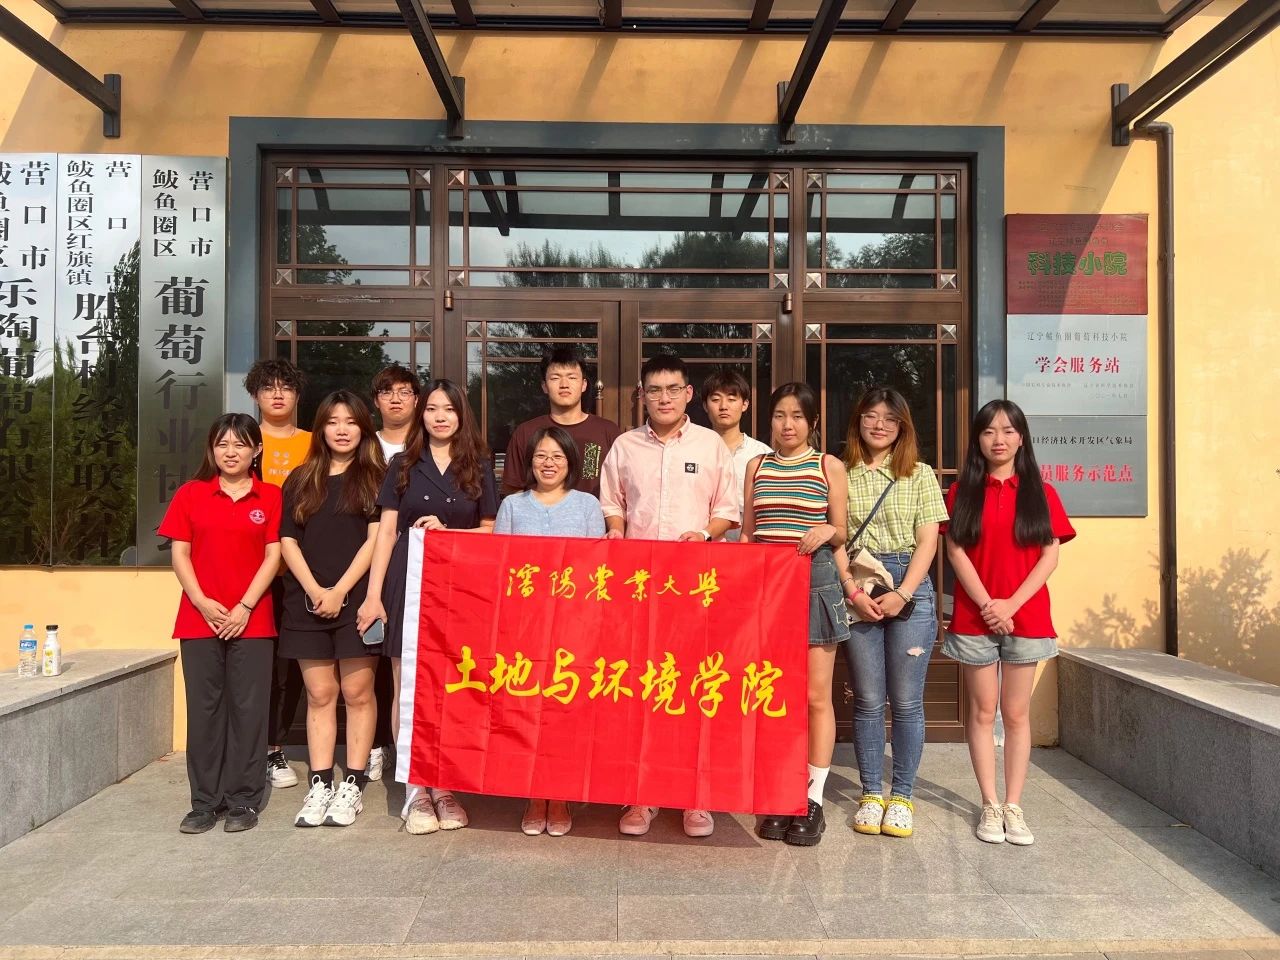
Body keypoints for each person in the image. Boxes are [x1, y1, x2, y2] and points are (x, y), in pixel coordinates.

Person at [599, 353, 739, 838]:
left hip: (695, 588)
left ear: (688, 394)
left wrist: (705, 533)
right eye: (654, 390)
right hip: (637, 589)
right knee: (640, 690)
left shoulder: (710, 445)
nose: (664, 398)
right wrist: (616, 531)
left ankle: (695, 797)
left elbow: (728, 508)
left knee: (693, 689)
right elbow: (612, 501)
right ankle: (641, 796)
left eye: (673, 389)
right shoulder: (624, 445)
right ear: (643, 394)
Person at [357, 379, 498, 835]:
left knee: (451, 684)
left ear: (461, 415)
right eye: (433, 408)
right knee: (407, 684)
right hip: (408, 582)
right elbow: (386, 532)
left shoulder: (478, 464)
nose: (440, 417)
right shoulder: (402, 464)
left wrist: (448, 534)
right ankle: (416, 787)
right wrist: (374, 595)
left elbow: (491, 530)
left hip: (461, 589)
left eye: (449, 409)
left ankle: (445, 786)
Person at [941, 400, 1075, 847]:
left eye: (1008, 430)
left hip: (1027, 617)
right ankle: (990, 803)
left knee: (1015, 714)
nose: (998, 439)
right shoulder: (961, 492)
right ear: (977, 440)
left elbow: (1049, 555)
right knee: (981, 712)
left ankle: (1014, 805)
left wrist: (1011, 604)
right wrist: (988, 605)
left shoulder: (1042, 492)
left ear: (1021, 438)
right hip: (974, 618)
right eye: (988, 431)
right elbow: (955, 551)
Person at [159, 414, 282, 835]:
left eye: (240, 444)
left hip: (253, 619)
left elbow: (273, 555)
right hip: (199, 619)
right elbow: (179, 553)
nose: (231, 452)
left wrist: (245, 606)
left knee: (249, 711)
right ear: (212, 450)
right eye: (222, 444)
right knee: (204, 711)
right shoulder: (191, 494)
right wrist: (202, 602)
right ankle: (204, 802)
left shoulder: (271, 496)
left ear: (256, 450)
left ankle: (243, 799)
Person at [836, 386, 948, 839]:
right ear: (858, 421)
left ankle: (901, 795)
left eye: (889, 418)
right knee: (867, 699)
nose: (879, 425)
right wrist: (851, 591)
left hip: (909, 587)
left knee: (905, 701)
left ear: (902, 426)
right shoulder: (840, 472)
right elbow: (835, 538)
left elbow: (928, 540)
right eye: (870, 415)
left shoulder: (919, 474)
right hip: (859, 584)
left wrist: (903, 592)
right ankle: (870, 793)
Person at [740, 383, 848, 847]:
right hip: (765, 588)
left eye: (798, 416)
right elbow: (748, 533)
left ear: (812, 423)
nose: (788, 425)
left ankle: (811, 798)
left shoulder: (828, 465)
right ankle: (780, 792)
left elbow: (842, 529)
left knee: (814, 695)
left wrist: (827, 529)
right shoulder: (757, 465)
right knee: (774, 694)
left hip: (814, 581)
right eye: (780, 415)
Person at [279, 391, 385, 828]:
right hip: (306, 602)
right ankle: (320, 782)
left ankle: (353, 784)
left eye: (351, 421)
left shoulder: (376, 478)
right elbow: (288, 540)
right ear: (321, 428)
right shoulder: (301, 478)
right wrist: (314, 589)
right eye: (333, 421)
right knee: (320, 694)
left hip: (358, 601)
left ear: (363, 428)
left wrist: (340, 590)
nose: (342, 430)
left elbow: (377, 539)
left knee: (357, 693)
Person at [494, 425, 606, 837]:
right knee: (526, 711)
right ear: (529, 461)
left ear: (570, 462)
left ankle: (559, 794)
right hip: (524, 629)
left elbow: (597, 570)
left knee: (564, 712)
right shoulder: (512, 506)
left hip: (572, 628)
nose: (548, 463)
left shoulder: (588, 506)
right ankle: (533, 794)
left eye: (557, 456)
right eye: (541, 455)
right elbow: (500, 566)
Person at [244, 358, 310, 792]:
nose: (278, 394)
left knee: (290, 665)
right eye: (268, 387)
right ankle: (251, 748)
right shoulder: (244, 441)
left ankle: (275, 747)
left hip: (300, 570)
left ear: (297, 395)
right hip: (252, 570)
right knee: (255, 664)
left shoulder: (313, 443)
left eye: (286, 386)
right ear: (256, 395)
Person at [366, 364, 422, 783]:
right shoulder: (363, 444)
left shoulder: (425, 448)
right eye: (388, 392)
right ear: (377, 401)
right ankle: (373, 745)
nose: (396, 398)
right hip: (360, 561)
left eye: (405, 391)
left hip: (405, 564)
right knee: (367, 660)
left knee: (403, 661)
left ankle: (399, 750)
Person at [502, 345, 620, 498]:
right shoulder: (526, 432)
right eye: (555, 378)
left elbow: (622, 487)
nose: (564, 384)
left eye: (572, 377)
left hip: (595, 513)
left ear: (584, 384)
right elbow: (514, 491)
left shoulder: (607, 431)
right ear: (544, 386)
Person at [703, 367, 771, 540]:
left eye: (732, 399)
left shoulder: (762, 455)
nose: (723, 406)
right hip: (703, 543)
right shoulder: (694, 451)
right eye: (715, 399)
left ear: (745, 404)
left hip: (749, 545)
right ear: (705, 405)